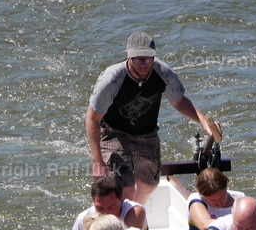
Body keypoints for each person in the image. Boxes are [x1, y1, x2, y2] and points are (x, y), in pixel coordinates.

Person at [85, 31, 221, 204]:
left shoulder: (163, 73)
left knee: (149, 185)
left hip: (146, 132)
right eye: (138, 59)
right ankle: (123, 215)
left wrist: (204, 122)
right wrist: (97, 162)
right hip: (114, 132)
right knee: (125, 188)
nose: (143, 64)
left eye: (148, 59)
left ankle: (135, 212)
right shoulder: (112, 79)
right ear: (128, 55)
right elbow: (92, 119)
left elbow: (179, 101)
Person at [68, 174, 147, 230]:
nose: (105, 213)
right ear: (93, 203)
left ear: (122, 200)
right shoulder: (83, 219)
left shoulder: (134, 212)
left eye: (111, 207)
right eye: (100, 208)